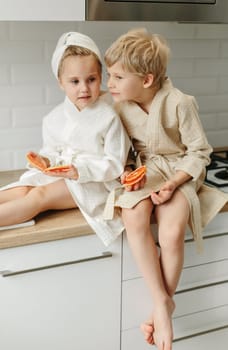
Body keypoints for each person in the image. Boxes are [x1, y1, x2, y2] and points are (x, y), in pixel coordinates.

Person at [104, 28, 228, 350]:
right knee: (134, 217)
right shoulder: (120, 109)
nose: (110, 84)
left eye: (117, 77)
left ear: (146, 80)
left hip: (179, 173)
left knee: (171, 233)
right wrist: (129, 171)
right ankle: (163, 302)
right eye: (109, 75)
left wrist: (174, 183)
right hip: (147, 173)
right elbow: (125, 153)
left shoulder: (180, 103)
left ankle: (162, 306)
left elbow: (200, 152)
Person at [0, 31, 130, 247]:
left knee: (38, 196)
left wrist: (80, 171)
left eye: (91, 79)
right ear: (60, 82)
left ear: (101, 77)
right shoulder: (53, 118)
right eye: (75, 81)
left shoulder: (109, 117)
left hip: (92, 182)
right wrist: (45, 161)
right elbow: (52, 152)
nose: (84, 88)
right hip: (62, 176)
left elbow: (115, 163)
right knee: (22, 189)